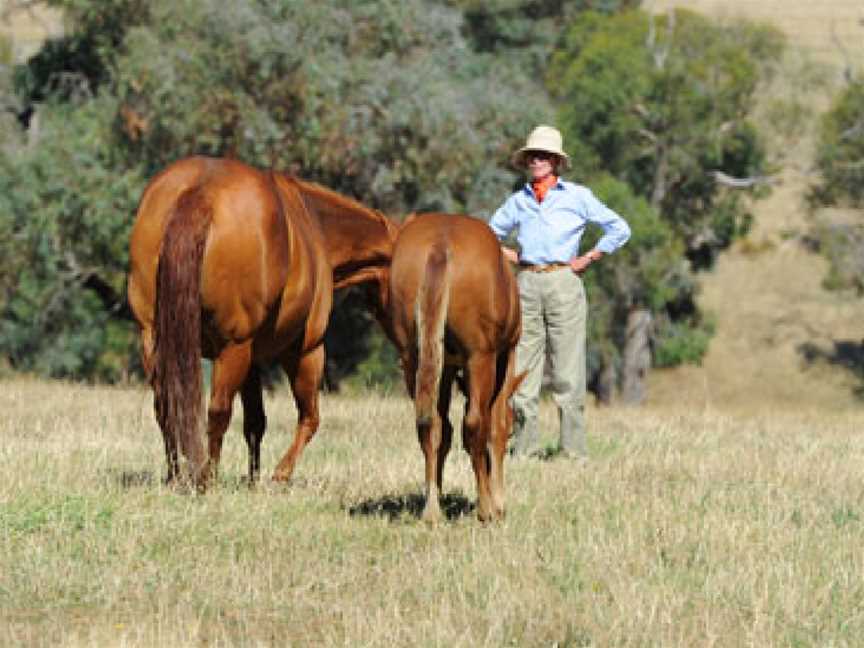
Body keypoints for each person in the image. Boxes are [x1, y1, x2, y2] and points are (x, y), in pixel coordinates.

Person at [488, 125, 631, 460]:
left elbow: (619, 228)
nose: (536, 160)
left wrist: (590, 257)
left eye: (543, 156)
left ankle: (573, 451)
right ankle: (524, 449)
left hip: (563, 282)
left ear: (555, 161)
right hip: (524, 283)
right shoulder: (518, 201)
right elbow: (488, 234)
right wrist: (512, 257)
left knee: (568, 371)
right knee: (522, 369)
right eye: (531, 156)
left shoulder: (577, 196)